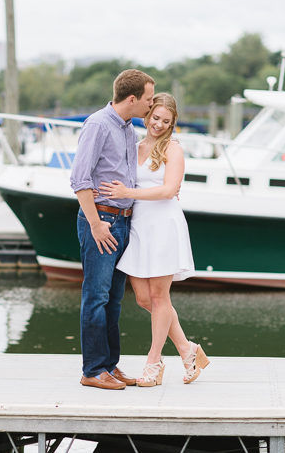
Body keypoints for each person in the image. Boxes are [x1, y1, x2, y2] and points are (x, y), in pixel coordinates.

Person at [99, 93, 209, 387]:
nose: (158, 124)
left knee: (160, 298)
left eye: (166, 121)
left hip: (163, 225)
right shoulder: (133, 147)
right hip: (138, 226)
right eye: (155, 117)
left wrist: (127, 193)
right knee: (145, 299)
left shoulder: (173, 149)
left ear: (172, 123)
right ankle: (188, 350)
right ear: (147, 116)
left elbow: (169, 190)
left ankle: (154, 362)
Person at [69, 69, 155, 390]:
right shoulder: (98, 124)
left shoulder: (128, 128)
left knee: (114, 300)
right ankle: (92, 370)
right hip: (102, 221)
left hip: (123, 222)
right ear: (132, 99)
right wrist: (95, 225)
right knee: (95, 297)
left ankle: (109, 365)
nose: (150, 104)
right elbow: (80, 180)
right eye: (148, 99)